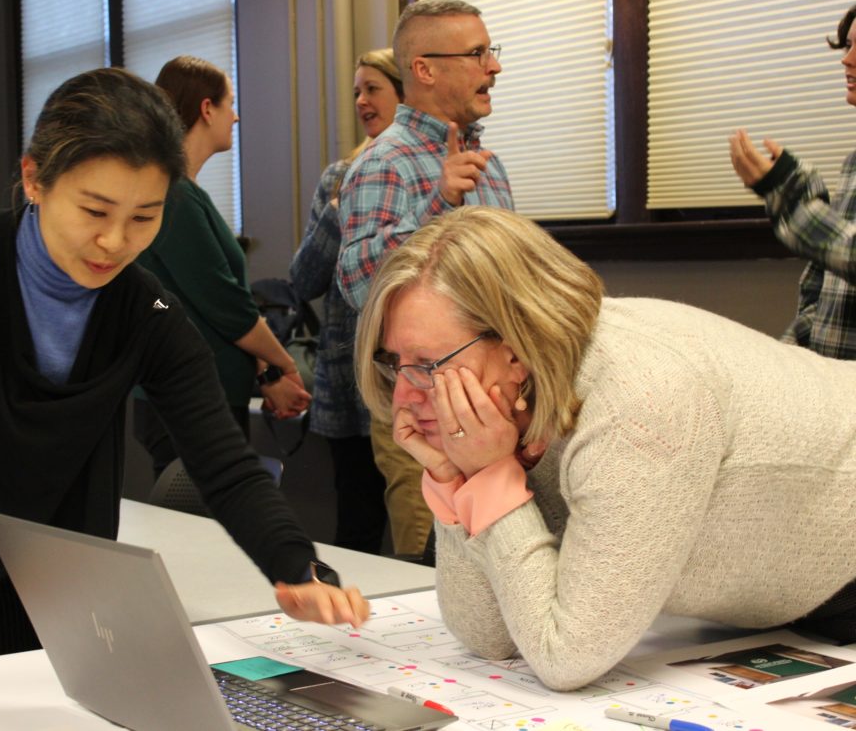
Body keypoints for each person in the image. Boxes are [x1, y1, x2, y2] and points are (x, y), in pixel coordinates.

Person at [0, 67, 368, 721]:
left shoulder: (145, 313)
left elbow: (224, 465)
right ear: (35, 178)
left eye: (144, 217)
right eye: (94, 211)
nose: (114, 242)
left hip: (53, 611)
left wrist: (298, 566)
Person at [354, 205, 856, 692]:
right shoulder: (518, 402)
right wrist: (459, 478)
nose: (404, 396)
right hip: (792, 595)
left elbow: (565, 656)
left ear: (515, 351)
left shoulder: (640, 404)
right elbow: (487, 635)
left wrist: (489, 478)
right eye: (394, 364)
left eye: (425, 364)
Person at [336, 0, 514, 557]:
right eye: (478, 54)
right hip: (425, 421)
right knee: (430, 572)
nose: (495, 67)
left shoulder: (488, 161)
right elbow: (360, 283)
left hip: (496, 414)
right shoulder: (383, 162)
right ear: (424, 69)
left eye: (492, 51)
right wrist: (436, 201)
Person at [134, 55, 310, 476]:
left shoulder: (185, 192)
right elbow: (227, 306)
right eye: (229, 103)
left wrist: (267, 376)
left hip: (205, 394)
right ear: (206, 108)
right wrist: (284, 365)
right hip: (187, 398)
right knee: (198, 532)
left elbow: (216, 312)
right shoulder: (172, 195)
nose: (236, 116)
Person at [290, 48, 402, 553]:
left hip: (411, 380)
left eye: (373, 88)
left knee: (420, 527)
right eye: (356, 90)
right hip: (347, 383)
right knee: (356, 522)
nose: (361, 100)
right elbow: (302, 280)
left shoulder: (434, 177)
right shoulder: (339, 177)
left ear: (406, 94)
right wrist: (335, 215)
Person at [728, 2, 856, 360]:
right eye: (848, 46)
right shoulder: (853, 165)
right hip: (831, 388)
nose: (847, 60)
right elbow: (824, 287)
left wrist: (789, 191)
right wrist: (783, 363)